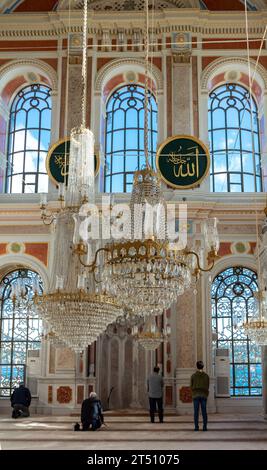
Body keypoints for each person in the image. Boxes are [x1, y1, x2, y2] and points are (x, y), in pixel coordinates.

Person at [190, 360, 209, 431]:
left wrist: (194, 392)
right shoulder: (206, 376)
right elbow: (207, 386)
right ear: (203, 367)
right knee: (204, 412)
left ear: (196, 366)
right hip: (203, 395)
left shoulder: (193, 376)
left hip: (195, 395)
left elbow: (191, 386)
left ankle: (196, 427)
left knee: (196, 412)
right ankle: (204, 427)